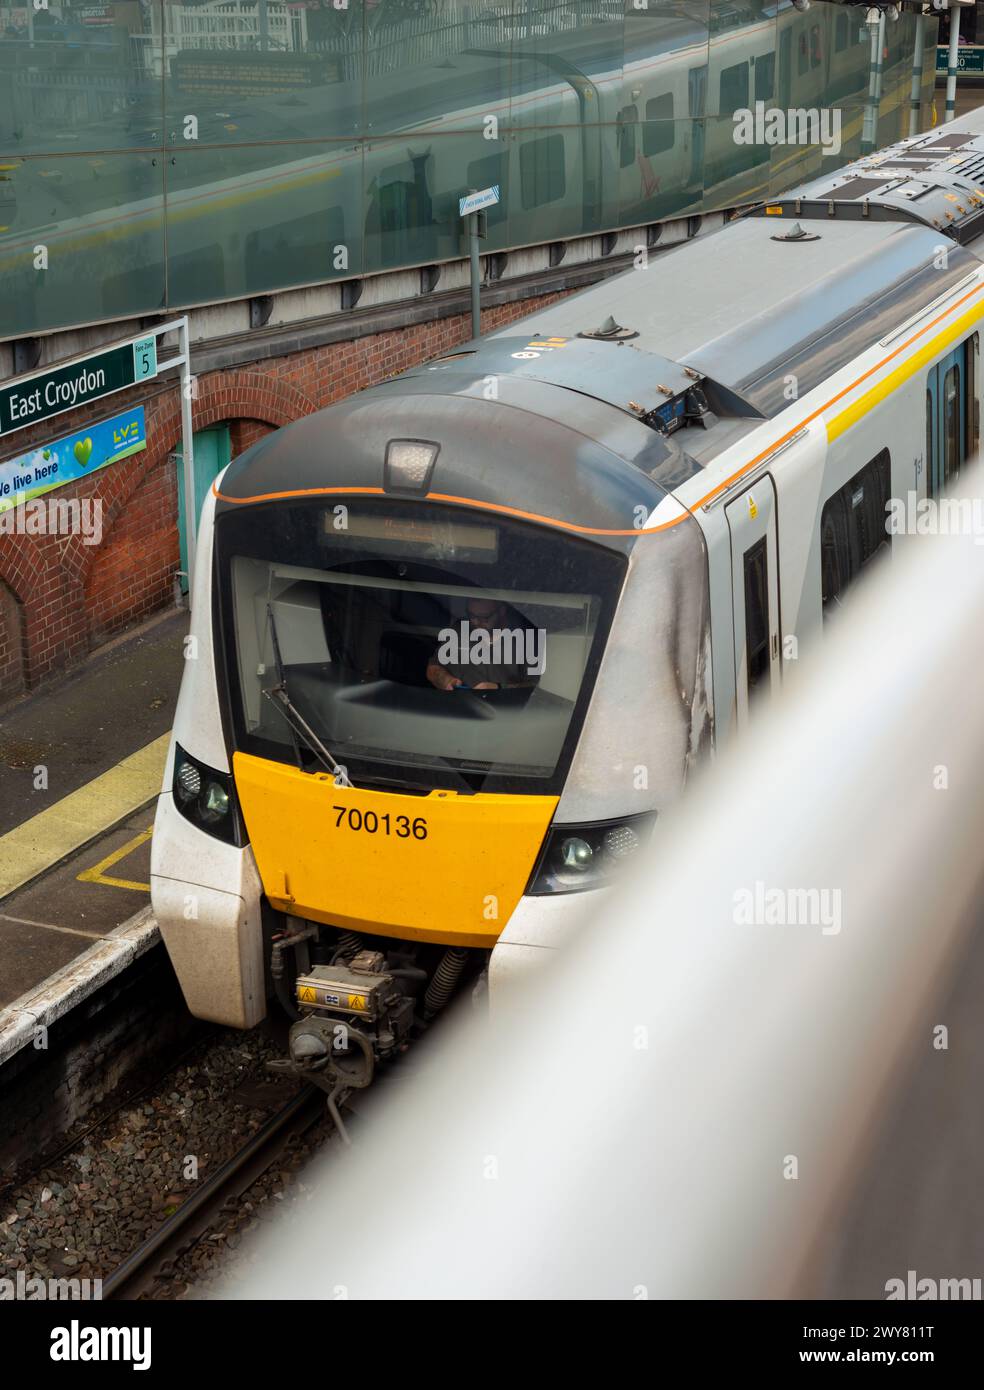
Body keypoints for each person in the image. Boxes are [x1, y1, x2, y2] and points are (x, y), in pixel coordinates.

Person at [426, 596, 541, 692]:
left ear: (502, 611)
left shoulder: (527, 639)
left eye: (484, 617)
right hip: (457, 710)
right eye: (471, 615)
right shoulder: (460, 629)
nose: (475, 622)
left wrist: (499, 688)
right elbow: (433, 669)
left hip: (503, 714)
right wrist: (445, 680)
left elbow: (536, 688)